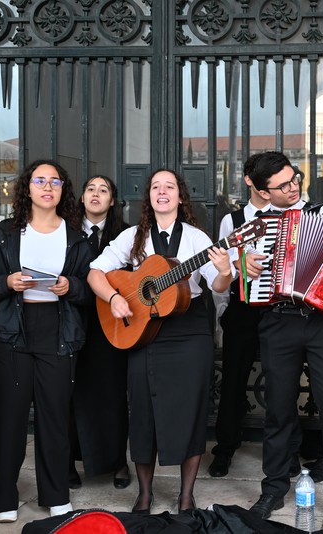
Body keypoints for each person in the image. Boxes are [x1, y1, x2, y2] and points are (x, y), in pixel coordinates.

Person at [87, 169, 232, 514]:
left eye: (169, 187)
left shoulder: (198, 238)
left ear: (180, 197)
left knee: (191, 410)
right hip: (144, 331)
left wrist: (225, 269)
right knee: (143, 411)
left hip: (190, 330)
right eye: (156, 187)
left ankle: (185, 496)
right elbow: (95, 272)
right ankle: (145, 495)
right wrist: (113, 298)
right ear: (149, 197)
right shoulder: (133, 237)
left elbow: (218, 286)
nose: (162, 192)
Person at [244, 151, 323, 527]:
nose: (293, 186)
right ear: (265, 193)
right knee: (279, 410)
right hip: (278, 322)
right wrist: (245, 268)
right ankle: (272, 489)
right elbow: (245, 286)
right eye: (282, 185)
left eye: (293, 178)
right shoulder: (253, 225)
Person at [0, 159, 94, 523]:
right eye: (40, 180)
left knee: (54, 417)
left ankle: (55, 494)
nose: (47, 187)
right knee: (8, 419)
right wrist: (8, 283)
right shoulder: (5, 233)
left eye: (54, 181)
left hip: (57, 331)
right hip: (14, 329)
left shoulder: (76, 238)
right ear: (27, 188)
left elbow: (90, 289)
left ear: (62, 190)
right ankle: (4, 499)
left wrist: (69, 286)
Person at [208, 153, 280, 477]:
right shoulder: (231, 221)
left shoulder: (288, 217)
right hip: (242, 308)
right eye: (263, 178)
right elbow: (224, 269)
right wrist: (224, 310)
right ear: (250, 180)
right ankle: (224, 448)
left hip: (279, 311)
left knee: (283, 383)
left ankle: (284, 451)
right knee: (233, 382)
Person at [68, 175, 130, 490]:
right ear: (81, 198)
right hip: (72, 321)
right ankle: (68, 462)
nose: (95, 194)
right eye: (90, 188)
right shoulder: (64, 232)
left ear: (112, 201)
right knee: (68, 394)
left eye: (103, 190)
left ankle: (117, 461)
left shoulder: (127, 235)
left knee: (112, 394)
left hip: (113, 324)